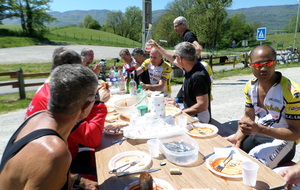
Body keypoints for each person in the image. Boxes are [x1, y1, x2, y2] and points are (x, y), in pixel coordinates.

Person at [0, 64, 99, 190]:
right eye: (95, 97)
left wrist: (80, 181)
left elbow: (34, 173)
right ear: (85, 106)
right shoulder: (55, 154)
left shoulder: (37, 116)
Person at [25, 49, 108, 185]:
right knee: (110, 170)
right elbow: (91, 138)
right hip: (55, 169)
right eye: (81, 69)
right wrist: (99, 103)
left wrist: (91, 100)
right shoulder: (58, 97)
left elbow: (81, 122)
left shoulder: (50, 87)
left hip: (62, 156)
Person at [226, 45, 300, 169]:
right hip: (259, 134)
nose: (263, 68)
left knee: (251, 167)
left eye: (269, 63)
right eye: (258, 64)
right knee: (227, 154)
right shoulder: (250, 86)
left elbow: (296, 134)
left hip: (284, 141)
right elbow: (248, 117)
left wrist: (260, 129)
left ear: (275, 63)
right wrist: (237, 137)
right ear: (250, 65)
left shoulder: (292, 92)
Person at [148, 41, 210, 123]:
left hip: (199, 118)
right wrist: (176, 100)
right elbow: (172, 58)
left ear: (180, 58)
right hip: (191, 112)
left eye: (176, 56)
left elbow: (202, 106)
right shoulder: (189, 66)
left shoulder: (198, 76)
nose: (174, 58)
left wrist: (180, 112)